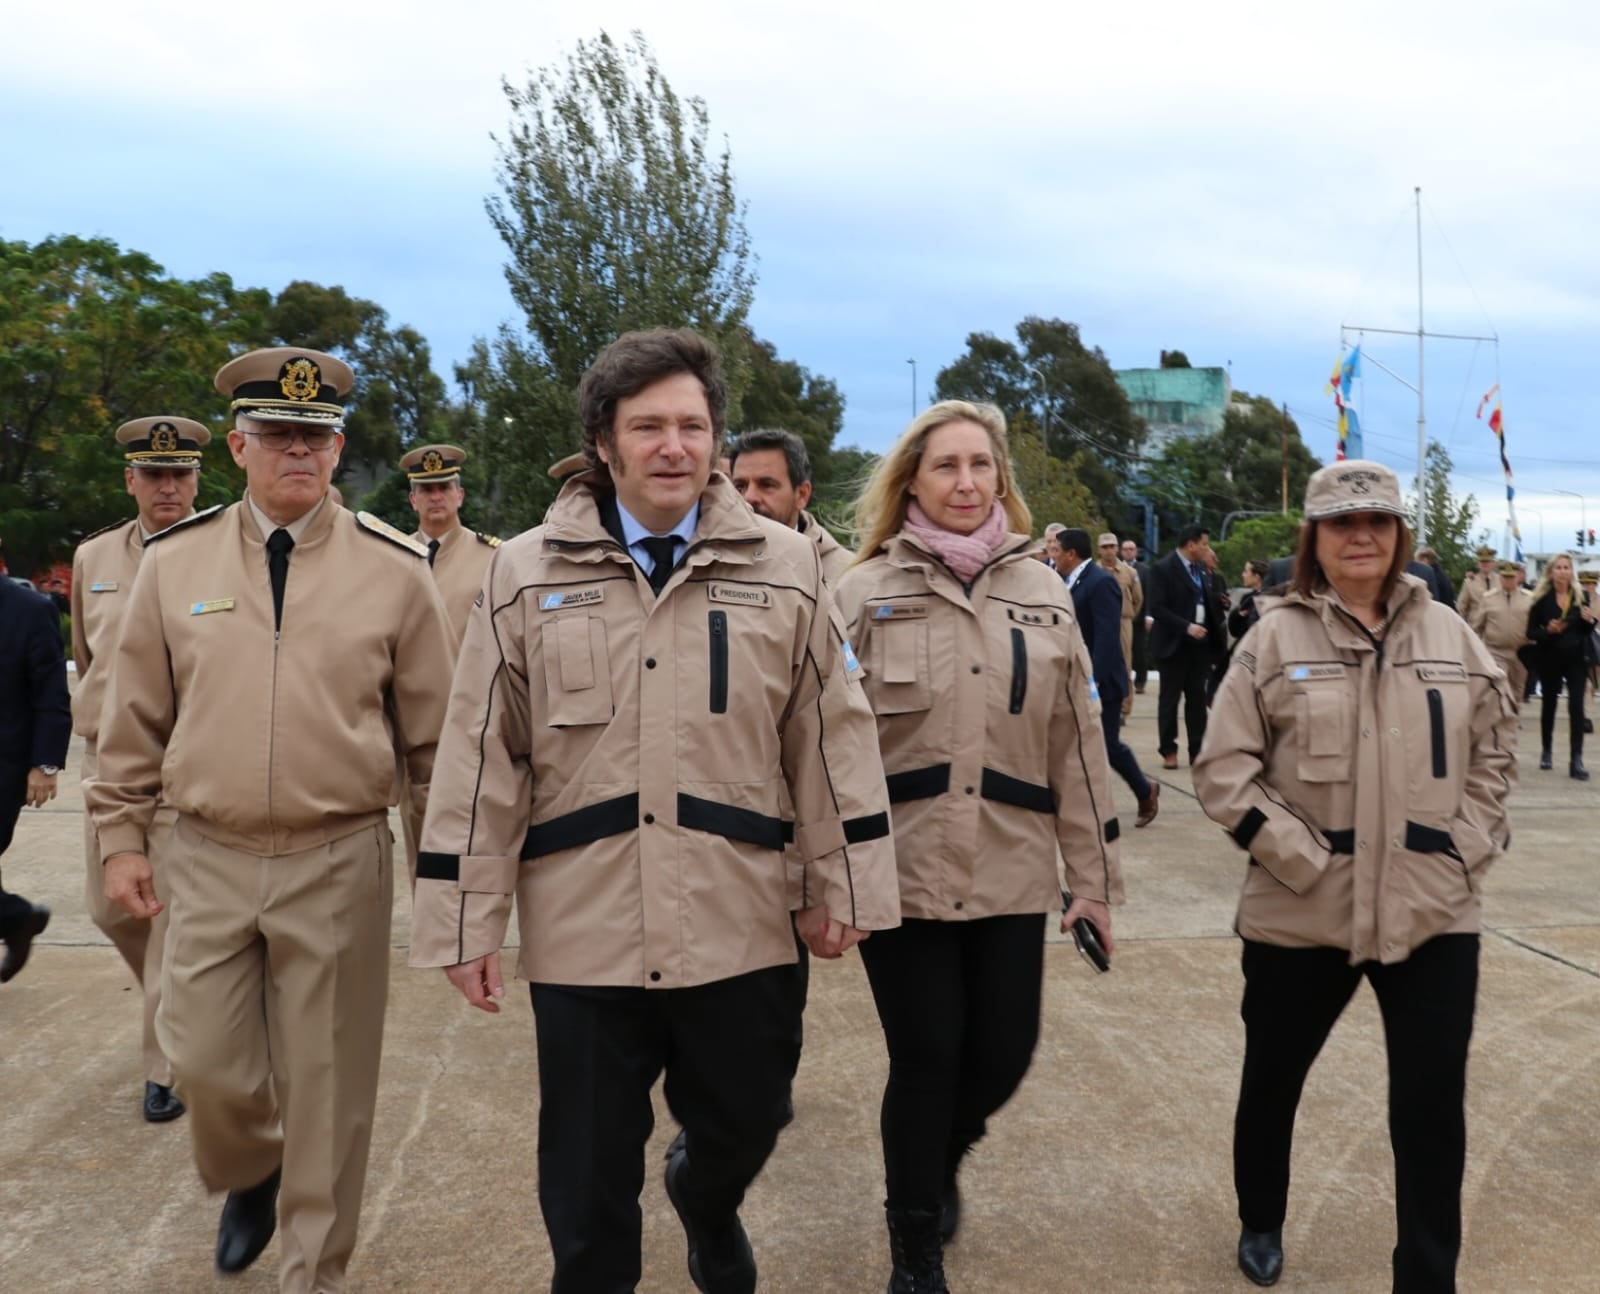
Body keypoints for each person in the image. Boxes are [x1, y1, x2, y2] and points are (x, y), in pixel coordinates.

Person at [409, 328, 899, 1294]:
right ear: (605, 441)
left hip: (740, 919)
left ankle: (708, 1203)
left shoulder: (789, 568)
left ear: (716, 441)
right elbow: (480, 756)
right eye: (648, 426)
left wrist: (845, 883)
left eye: (692, 425)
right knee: (585, 1185)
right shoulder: (525, 572)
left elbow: (831, 739)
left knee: (747, 1122)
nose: (673, 445)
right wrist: (464, 922)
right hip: (585, 928)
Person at [87, 347, 455, 1292]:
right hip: (204, 853)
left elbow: (433, 749)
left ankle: (312, 1274)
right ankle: (250, 1168)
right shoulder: (174, 565)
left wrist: (448, 885)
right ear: (241, 447)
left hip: (337, 857)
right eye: (282, 435)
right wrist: (122, 838)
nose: (301, 450)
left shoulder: (395, 568)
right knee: (203, 1065)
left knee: (330, 1095)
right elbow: (132, 720)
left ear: (337, 452)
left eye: (318, 437)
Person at [1193, 459, 1516, 1292]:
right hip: (1301, 912)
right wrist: (1297, 856)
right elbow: (1224, 769)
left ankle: (1426, 1274)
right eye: (1342, 523)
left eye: (1377, 521)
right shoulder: (1272, 639)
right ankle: (1260, 1215)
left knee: (1431, 1104)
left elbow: (1495, 749)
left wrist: (1465, 849)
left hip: (1434, 911)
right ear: (1315, 538)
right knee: (1273, 1079)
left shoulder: (1452, 634)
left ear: (1402, 534)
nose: (1361, 536)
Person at [836, 401, 1122, 1293]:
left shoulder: (1045, 596)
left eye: (980, 467)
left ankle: (937, 1157)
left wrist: (1095, 883)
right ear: (910, 483)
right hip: (902, 876)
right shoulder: (861, 592)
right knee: (926, 1059)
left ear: (1002, 480)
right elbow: (818, 749)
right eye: (945, 467)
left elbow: (1075, 747)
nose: (965, 483)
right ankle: (914, 1250)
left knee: (1002, 1055)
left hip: (1010, 869)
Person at [70, 415, 213, 1122]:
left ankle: (166, 1067)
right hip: (108, 761)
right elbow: (89, 661)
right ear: (130, 480)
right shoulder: (94, 559)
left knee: (165, 919)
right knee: (108, 908)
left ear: (196, 481)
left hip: (184, 756)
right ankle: (184, 1008)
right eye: (153, 474)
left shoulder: (218, 553)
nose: (167, 486)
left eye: (180, 474)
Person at [395, 442, 501, 886]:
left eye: (444, 487)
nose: (436, 496)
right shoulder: (392, 557)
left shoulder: (493, 558)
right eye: (426, 488)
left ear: (459, 495)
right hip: (415, 729)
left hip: (476, 725)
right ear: (413, 499)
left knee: (477, 842)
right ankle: (430, 937)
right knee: (422, 846)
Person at [1057, 528, 1159, 827]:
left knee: (1107, 745)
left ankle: (1145, 790)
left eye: (1057, 552)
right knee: (1080, 746)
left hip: (1101, 682)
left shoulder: (1100, 582)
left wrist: (1094, 683)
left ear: (1071, 554)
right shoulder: (1074, 581)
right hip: (1080, 678)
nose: (1054, 557)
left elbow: (1106, 637)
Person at [0, 576, 71, 983]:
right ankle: (15, 919)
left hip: (4, 767)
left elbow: (51, 693)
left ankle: (16, 918)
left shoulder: (30, 609)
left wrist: (45, 765)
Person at [728, 427, 850, 584]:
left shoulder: (844, 578)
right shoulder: (704, 561)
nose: (749, 497)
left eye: (766, 484)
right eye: (740, 486)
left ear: (802, 495)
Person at [1147, 524, 1225, 768]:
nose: (1207, 548)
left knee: (1196, 699)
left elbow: (1200, 599)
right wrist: (1186, 627)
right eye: (1203, 543)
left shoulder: (1201, 570)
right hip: (1173, 644)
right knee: (1170, 700)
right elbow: (1157, 608)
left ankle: (1197, 749)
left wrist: (1218, 601)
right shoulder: (1162, 569)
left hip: (1199, 644)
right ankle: (1169, 750)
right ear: (1190, 544)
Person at [1525, 551, 1596, 779]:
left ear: (1570, 572)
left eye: (1566, 567)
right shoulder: (1541, 599)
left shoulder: (1579, 596)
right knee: (1549, 705)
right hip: (1550, 658)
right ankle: (1547, 750)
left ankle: (1576, 759)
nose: (1563, 572)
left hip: (1576, 659)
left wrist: (1589, 621)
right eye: (1559, 567)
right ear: (1551, 572)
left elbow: (1586, 630)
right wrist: (1548, 631)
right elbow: (1530, 632)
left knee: (1576, 707)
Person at [1468, 561, 1532, 707]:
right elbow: (1477, 625)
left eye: (1511, 577)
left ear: (1518, 578)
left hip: (1521, 652)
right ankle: (1499, 718)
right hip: (1496, 651)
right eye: (1505, 577)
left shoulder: (1529, 599)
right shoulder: (1488, 598)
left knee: (1517, 688)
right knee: (1498, 687)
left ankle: (1513, 717)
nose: (1508, 580)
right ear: (1500, 578)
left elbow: (1534, 625)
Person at [1098, 532, 1143, 719]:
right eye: (1105, 547)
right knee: (1098, 662)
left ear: (1117, 548)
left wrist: (1127, 616)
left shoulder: (1129, 572)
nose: (1109, 550)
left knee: (1124, 664)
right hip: (1099, 622)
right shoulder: (1093, 570)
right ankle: (1099, 705)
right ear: (1099, 549)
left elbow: (1138, 599)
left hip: (1122, 621)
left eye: (1112, 546)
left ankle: (1124, 709)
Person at [1122, 538, 1152, 693]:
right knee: (1122, 650)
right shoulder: (1116, 569)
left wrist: (1149, 616)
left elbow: (1149, 594)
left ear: (1136, 552)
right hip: (1121, 617)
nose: (1128, 552)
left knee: (1140, 651)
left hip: (1139, 617)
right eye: (1125, 549)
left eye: (1131, 549)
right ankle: (1123, 682)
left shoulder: (1144, 570)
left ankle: (1140, 683)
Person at [1454, 545, 1497, 626]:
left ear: (1493, 563)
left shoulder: (1501, 581)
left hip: (1495, 629)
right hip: (1475, 629)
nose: (1485, 564)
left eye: (1488, 562)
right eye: (1482, 562)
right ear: (1478, 563)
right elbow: (1461, 608)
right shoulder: (1469, 582)